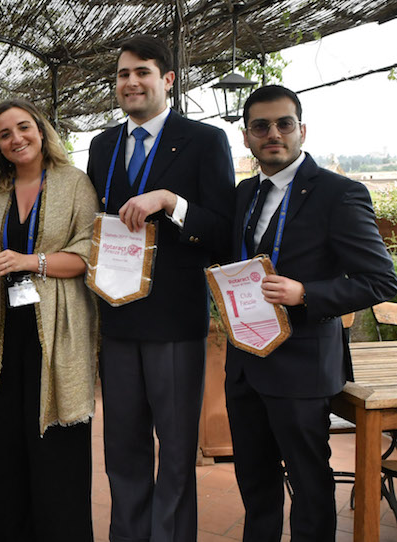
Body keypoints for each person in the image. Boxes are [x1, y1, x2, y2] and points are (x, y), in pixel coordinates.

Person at [227, 85, 397, 541]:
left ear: (302, 130)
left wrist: (306, 293)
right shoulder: (244, 193)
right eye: (261, 126)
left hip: (302, 366)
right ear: (247, 138)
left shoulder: (340, 193)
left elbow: (382, 281)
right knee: (255, 485)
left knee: (309, 486)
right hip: (245, 363)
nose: (273, 134)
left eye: (284, 124)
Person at [85, 35, 236, 541]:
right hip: (118, 318)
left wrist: (172, 201)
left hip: (174, 321)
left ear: (167, 79)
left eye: (142, 72)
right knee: (121, 449)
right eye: (124, 74)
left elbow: (222, 232)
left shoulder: (203, 140)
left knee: (174, 451)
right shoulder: (103, 145)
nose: (131, 82)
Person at [0, 98, 99, 540]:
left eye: (23, 128)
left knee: (56, 449)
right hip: (4, 333)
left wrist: (32, 261)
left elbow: (89, 254)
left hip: (58, 333)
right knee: (6, 449)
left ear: (41, 131)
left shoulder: (74, 183)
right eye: (4, 134)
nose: (16, 139)